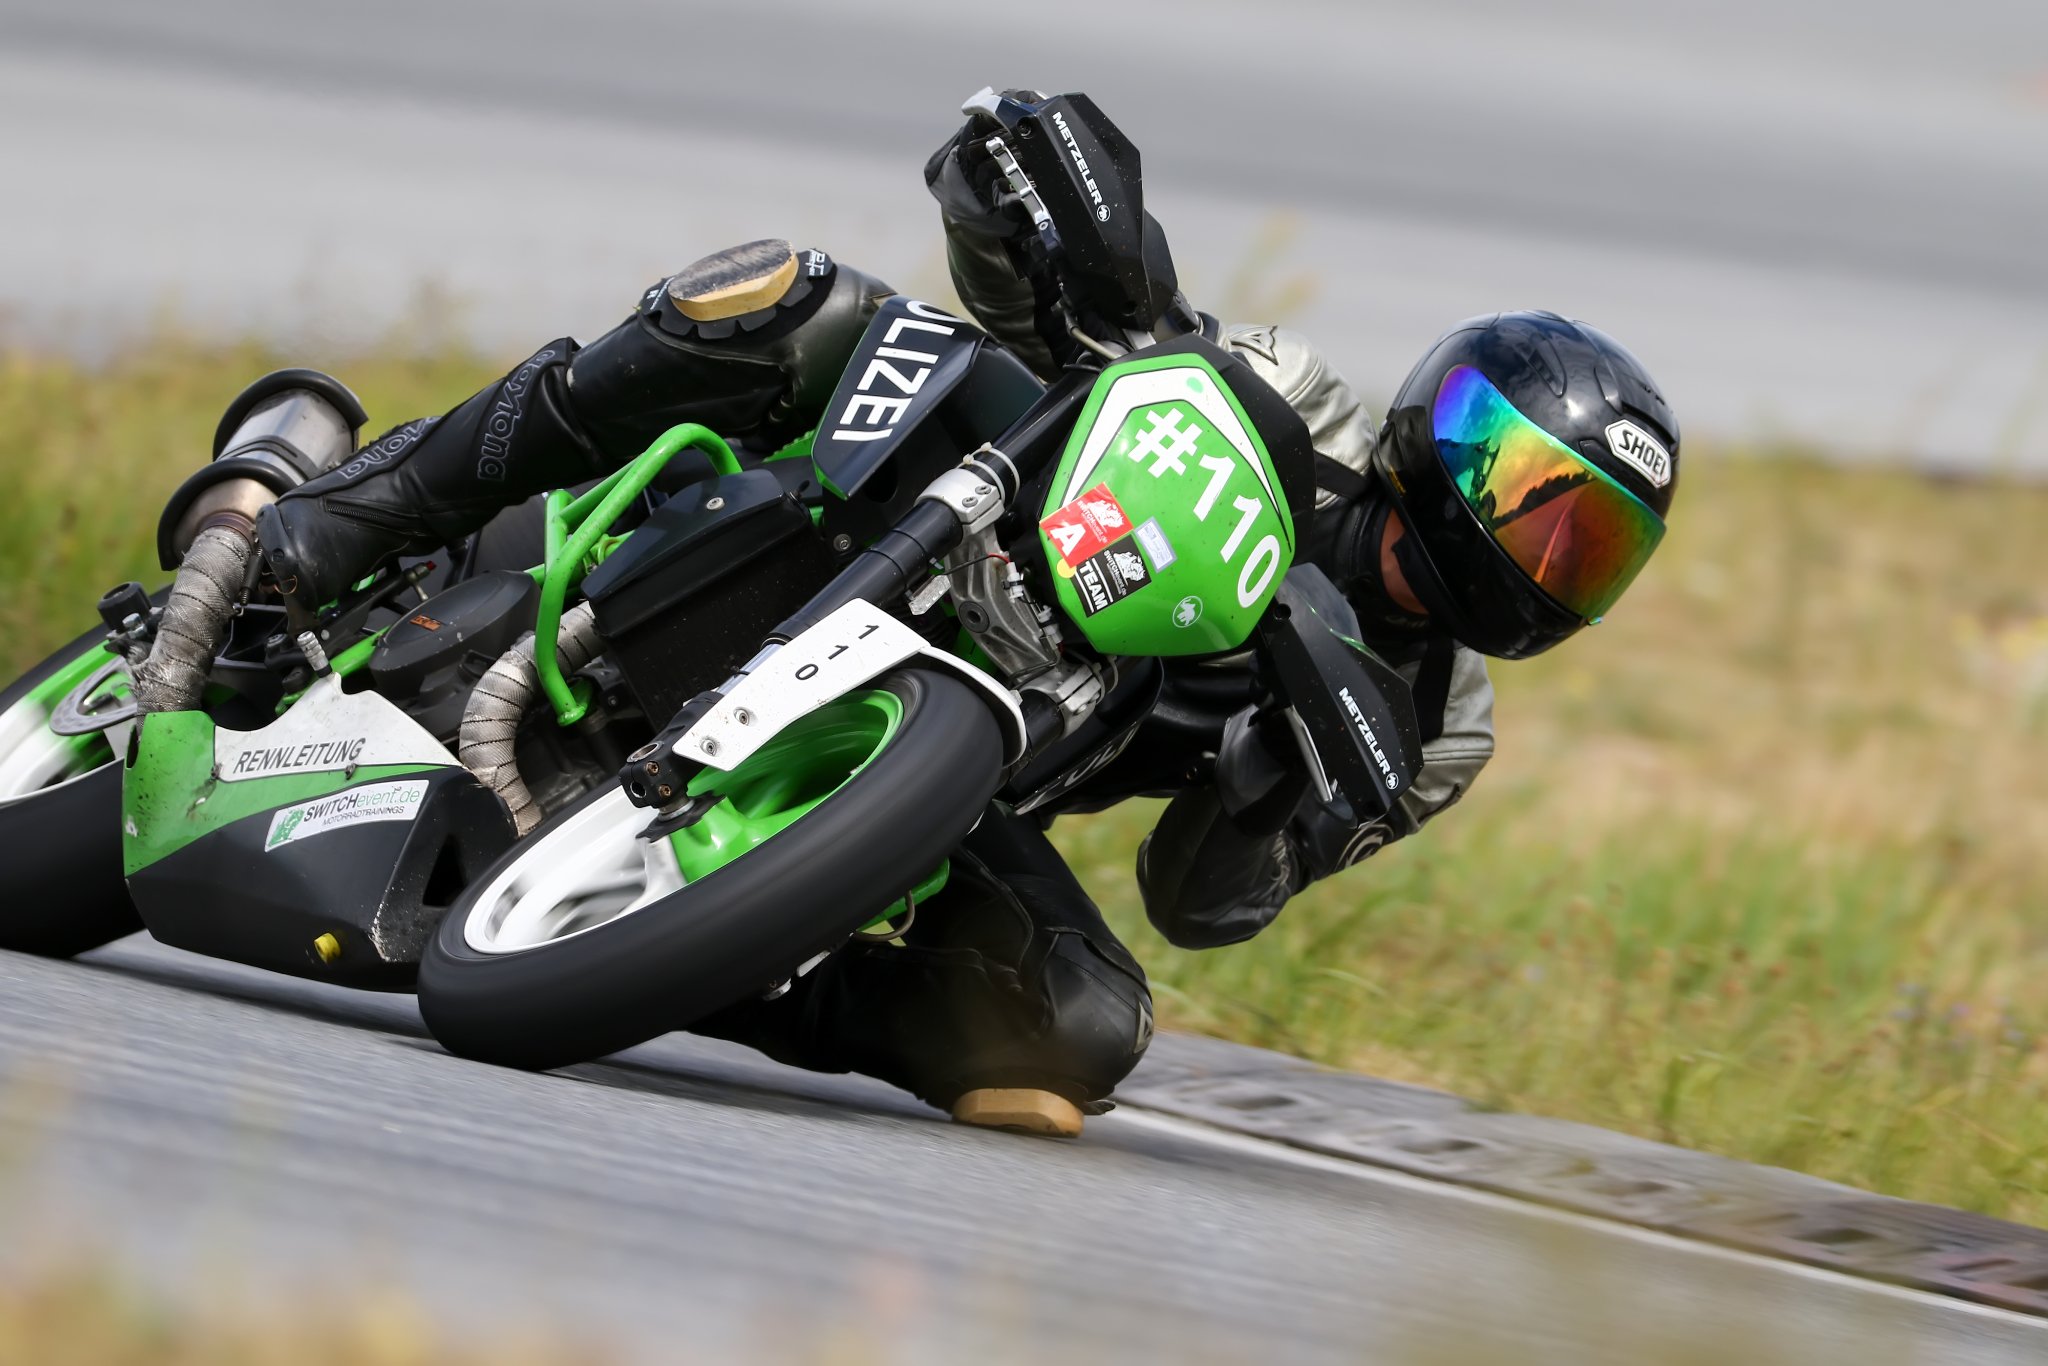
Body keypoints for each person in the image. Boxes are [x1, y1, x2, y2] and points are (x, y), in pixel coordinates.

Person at [255, 92, 1680, 1138]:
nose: (1529, 538)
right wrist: (1053, 229)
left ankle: (693, 959)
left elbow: (1198, 900)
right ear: (1442, 417)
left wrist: (1258, 801)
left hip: (957, 764)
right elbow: (1093, 347)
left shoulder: (1434, 732)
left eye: (1582, 542)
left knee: (1081, 1025)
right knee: (792, 296)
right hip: (907, 525)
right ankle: (350, 516)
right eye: (1519, 481)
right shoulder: (1303, 403)